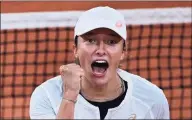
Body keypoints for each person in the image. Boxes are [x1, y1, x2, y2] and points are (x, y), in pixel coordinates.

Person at [30, 6, 170, 119]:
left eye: (111, 42)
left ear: (123, 52)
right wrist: (69, 97)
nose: (101, 50)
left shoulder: (152, 100)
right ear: (75, 50)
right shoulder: (47, 95)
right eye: (91, 41)